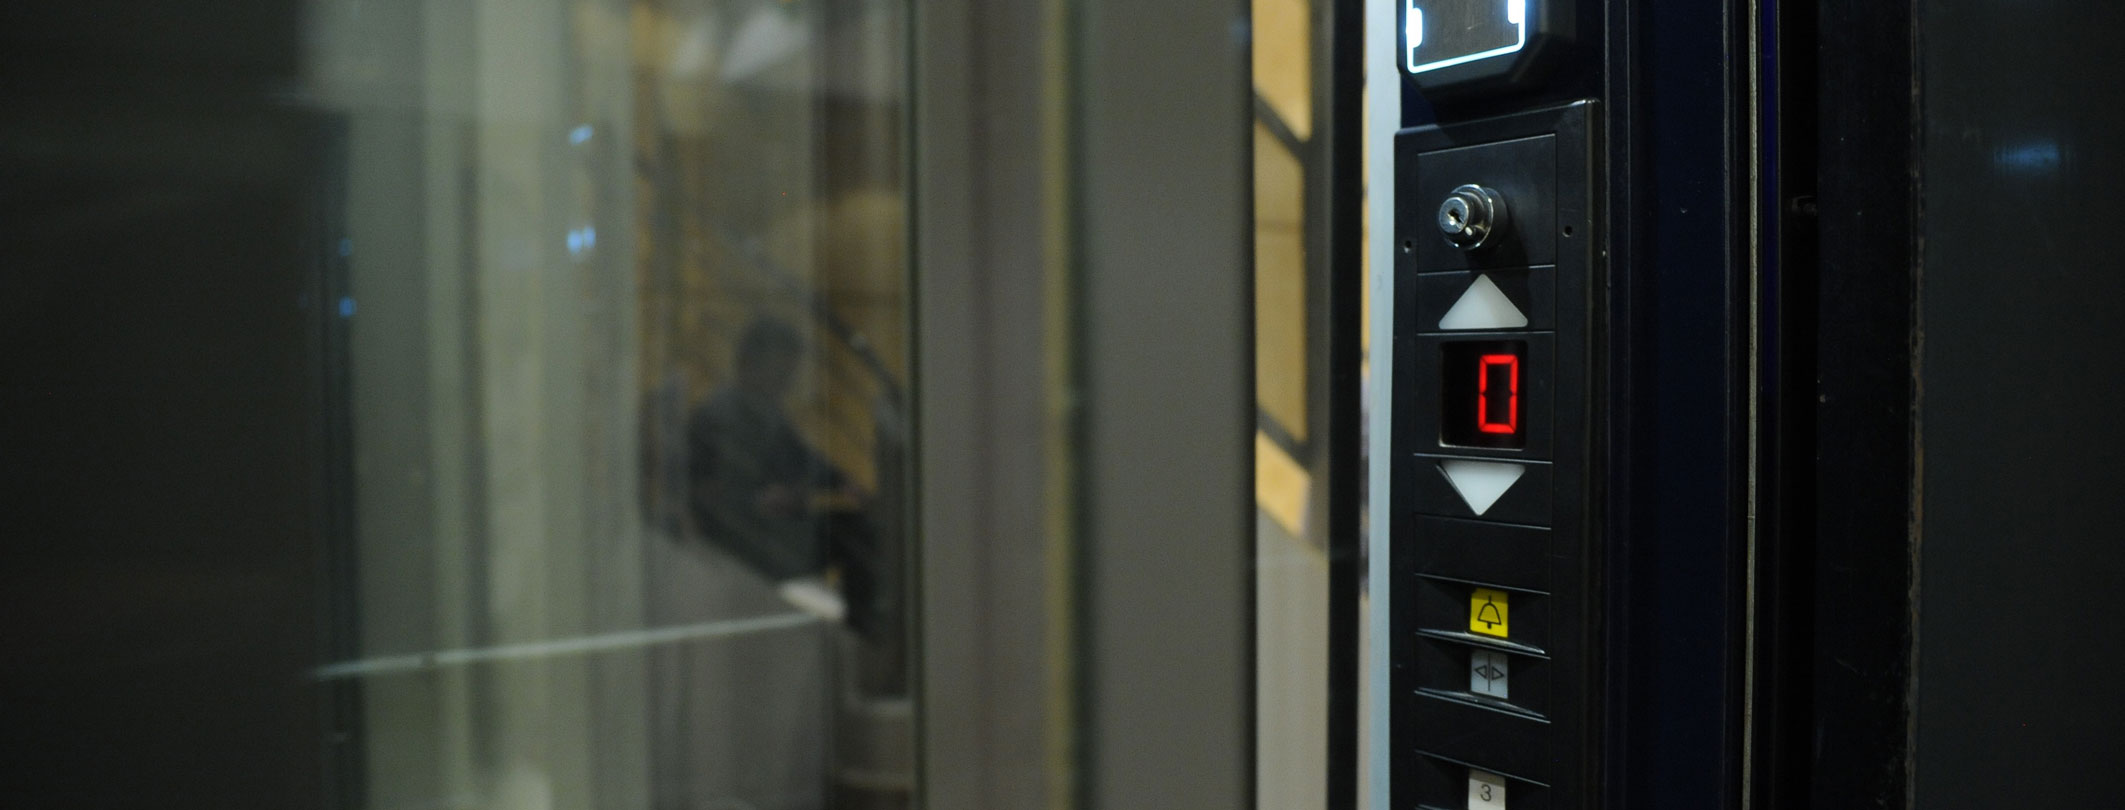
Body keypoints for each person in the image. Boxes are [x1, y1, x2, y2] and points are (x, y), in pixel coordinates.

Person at [686, 318, 877, 629]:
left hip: (773, 529)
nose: (788, 381)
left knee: (860, 529)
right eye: (781, 371)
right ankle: (860, 632)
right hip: (743, 541)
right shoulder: (717, 417)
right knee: (855, 536)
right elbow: (704, 494)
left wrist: (842, 482)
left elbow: (805, 459)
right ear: (751, 364)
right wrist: (757, 502)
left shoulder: (765, 412)